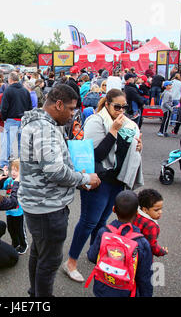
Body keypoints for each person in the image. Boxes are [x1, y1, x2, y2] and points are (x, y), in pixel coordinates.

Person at [19, 84, 101, 297]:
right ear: (58, 104)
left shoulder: (38, 122)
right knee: (50, 261)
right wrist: (84, 178)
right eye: (71, 109)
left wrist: (73, 172)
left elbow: (50, 165)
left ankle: (35, 293)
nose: (73, 114)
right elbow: (54, 171)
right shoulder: (45, 128)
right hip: (47, 207)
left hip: (38, 204)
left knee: (39, 255)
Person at [64, 88, 143, 283]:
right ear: (107, 104)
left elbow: (126, 148)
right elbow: (97, 155)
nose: (121, 111)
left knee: (101, 222)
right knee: (88, 221)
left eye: (124, 107)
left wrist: (138, 145)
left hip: (117, 180)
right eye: (117, 107)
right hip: (99, 179)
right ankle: (70, 263)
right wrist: (114, 131)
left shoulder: (127, 123)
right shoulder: (96, 121)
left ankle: (94, 254)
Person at [86, 190, 153, 297]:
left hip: (102, 287)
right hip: (126, 291)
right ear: (137, 213)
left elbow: (92, 256)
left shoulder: (103, 232)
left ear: (113, 209)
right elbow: (144, 276)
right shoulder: (141, 243)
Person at [0, 72, 32, 168]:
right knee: (21, 144)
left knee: (7, 143)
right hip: (23, 120)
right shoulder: (25, 91)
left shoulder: (8, 90)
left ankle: (4, 164)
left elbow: (4, 107)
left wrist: (4, 118)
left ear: (10, 80)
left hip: (11, 119)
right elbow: (29, 107)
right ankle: (21, 163)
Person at [0, 159, 28, 255]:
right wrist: (4, 176)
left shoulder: (23, 183)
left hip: (19, 212)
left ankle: (24, 245)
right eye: (12, 170)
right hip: (9, 211)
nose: (13, 172)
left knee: (20, 230)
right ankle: (15, 243)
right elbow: (1, 186)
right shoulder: (10, 181)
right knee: (11, 229)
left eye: (16, 170)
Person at [134, 189, 168, 257]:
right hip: (143, 255)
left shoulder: (134, 212)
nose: (160, 212)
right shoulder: (151, 226)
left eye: (161, 209)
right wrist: (162, 251)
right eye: (156, 210)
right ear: (145, 210)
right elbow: (152, 245)